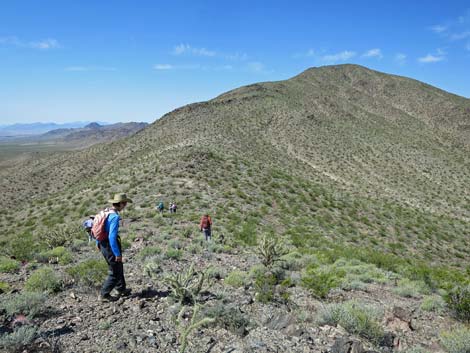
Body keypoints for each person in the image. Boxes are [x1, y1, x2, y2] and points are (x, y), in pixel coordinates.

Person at [98, 193, 133, 302]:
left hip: (103, 244)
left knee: (119, 267)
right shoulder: (114, 216)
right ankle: (104, 294)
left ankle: (121, 289)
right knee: (115, 271)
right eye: (125, 203)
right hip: (110, 245)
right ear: (121, 204)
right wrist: (117, 253)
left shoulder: (106, 212)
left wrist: (98, 244)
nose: (126, 205)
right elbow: (112, 237)